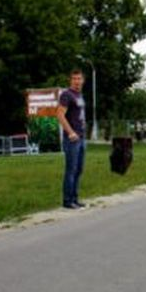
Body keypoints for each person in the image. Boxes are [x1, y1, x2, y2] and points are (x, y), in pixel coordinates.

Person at [56, 68, 87, 209]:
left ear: (83, 80)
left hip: (82, 137)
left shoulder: (79, 95)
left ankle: (75, 198)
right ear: (70, 80)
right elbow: (60, 115)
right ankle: (67, 201)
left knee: (79, 169)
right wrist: (70, 132)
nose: (77, 81)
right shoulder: (66, 95)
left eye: (79, 78)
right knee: (71, 169)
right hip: (72, 139)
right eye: (74, 79)